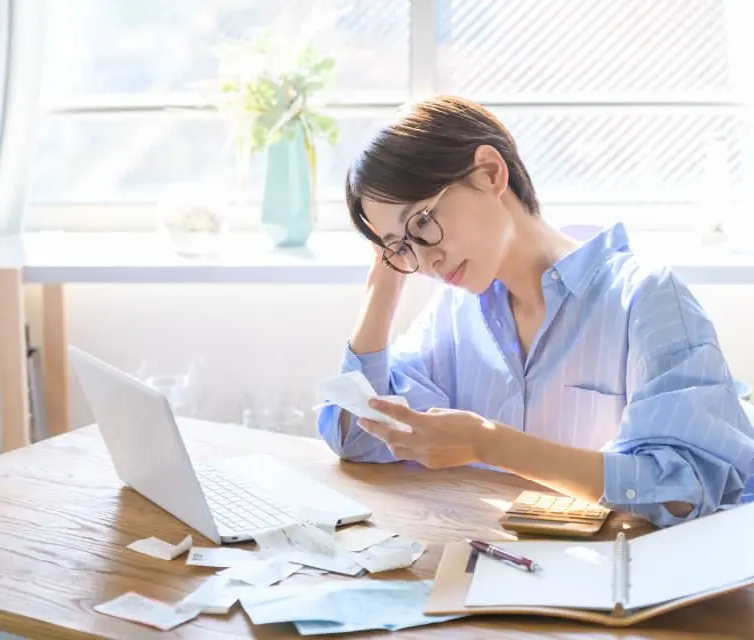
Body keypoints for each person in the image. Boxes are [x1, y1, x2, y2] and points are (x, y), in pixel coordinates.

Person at [317, 95, 754, 527]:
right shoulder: (455, 311)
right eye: (401, 246)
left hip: (624, 580)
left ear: (489, 172)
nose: (426, 261)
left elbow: (685, 490)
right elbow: (358, 436)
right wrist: (384, 282)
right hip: (495, 567)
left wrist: (488, 445)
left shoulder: (644, 299)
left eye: (423, 223)